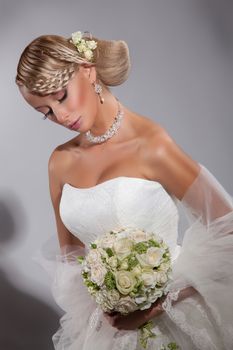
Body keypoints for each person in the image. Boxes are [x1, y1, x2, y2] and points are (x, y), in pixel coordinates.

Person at [15, 30, 233, 350]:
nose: (59, 116)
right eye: (45, 112)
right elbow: (71, 258)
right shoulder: (59, 163)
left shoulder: (151, 146)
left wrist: (158, 302)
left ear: (88, 71)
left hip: (174, 322)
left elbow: (228, 230)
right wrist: (106, 303)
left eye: (61, 97)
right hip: (105, 332)